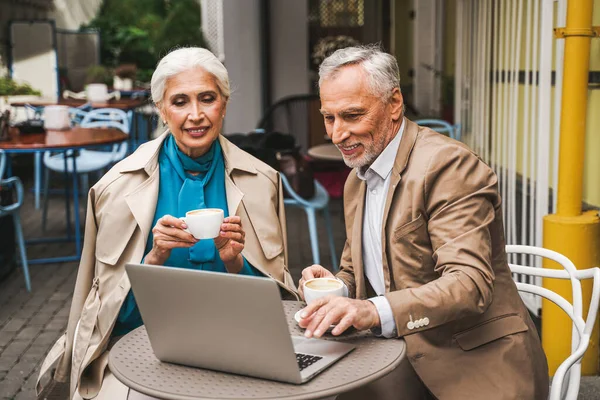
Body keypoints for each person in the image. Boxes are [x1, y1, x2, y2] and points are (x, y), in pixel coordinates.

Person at [36, 47, 298, 400]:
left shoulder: (262, 181)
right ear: (161, 109)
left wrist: (236, 262)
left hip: (239, 350)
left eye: (207, 99)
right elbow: (105, 313)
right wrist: (153, 259)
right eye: (179, 102)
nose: (196, 115)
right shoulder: (115, 188)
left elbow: (278, 306)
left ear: (224, 104)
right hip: (141, 350)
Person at [298, 45, 549, 399]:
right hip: (400, 356)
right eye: (329, 118)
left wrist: (371, 310)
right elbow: (358, 271)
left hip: (476, 364)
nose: (338, 134)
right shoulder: (359, 177)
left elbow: (469, 284)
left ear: (395, 103)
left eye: (352, 115)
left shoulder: (449, 166)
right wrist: (336, 289)